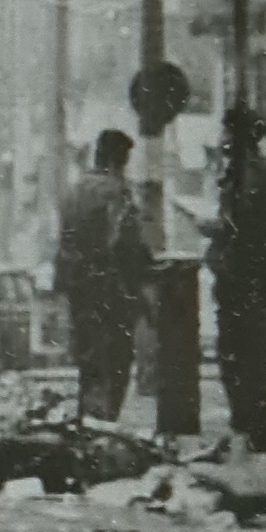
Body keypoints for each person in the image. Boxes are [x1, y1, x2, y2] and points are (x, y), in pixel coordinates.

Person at [55, 129, 154, 421]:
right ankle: (104, 424)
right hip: (111, 289)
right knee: (115, 360)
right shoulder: (116, 192)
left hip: (79, 288)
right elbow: (127, 244)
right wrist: (143, 285)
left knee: (89, 361)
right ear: (116, 160)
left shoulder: (74, 190)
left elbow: (64, 243)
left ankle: (87, 420)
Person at [207, 106, 266, 453]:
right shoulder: (250, 171)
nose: (222, 139)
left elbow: (242, 227)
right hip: (244, 277)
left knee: (244, 354)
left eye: (226, 132)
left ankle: (254, 430)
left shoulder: (249, 175)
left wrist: (214, 228)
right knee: (243, 353)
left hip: (244, 278)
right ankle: (251, 429)